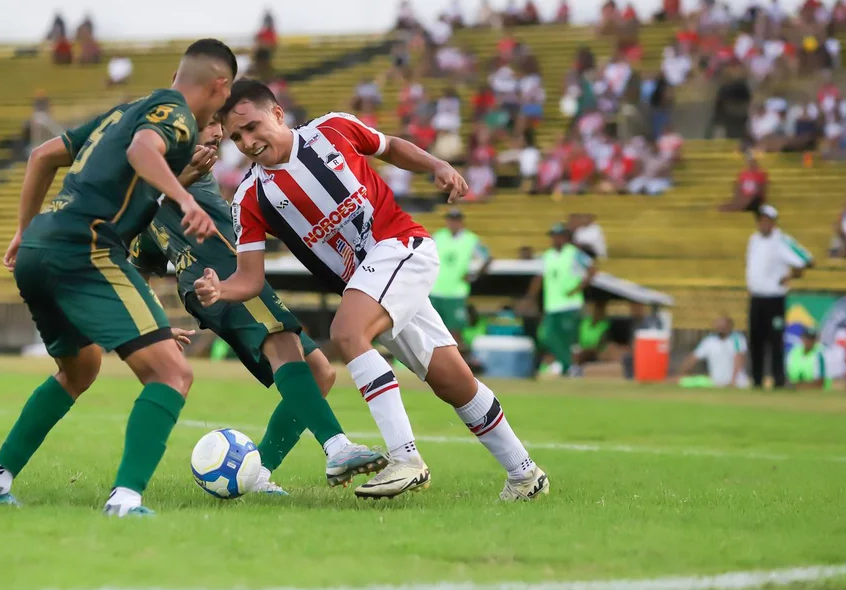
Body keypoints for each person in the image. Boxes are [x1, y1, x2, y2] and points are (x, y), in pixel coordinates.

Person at [200, 79, 548, 501]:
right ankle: (525, 475)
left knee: (347, 332)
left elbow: (391, 146)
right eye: (237, 137)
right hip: (372, 285)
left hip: (402, 247)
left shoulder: (333, 130)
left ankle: (406, 459)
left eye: (253, 127)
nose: (248, 142)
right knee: (453, 381)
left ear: (277, 113)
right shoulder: (251, 198)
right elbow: (251, 278)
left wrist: (436, 165)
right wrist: (221, 290)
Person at [0, 39, 238, 517]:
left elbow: (43, 156)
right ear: (220, 86)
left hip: (42, 247)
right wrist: (189, 199)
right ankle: (126, 499)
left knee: (80, 369)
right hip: (85, 250)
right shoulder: (173, 114)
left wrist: (24, 232)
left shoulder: (126, 110)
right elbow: (140, 151)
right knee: (173, 373)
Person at [129, 122, 386, 494]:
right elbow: (151, 215)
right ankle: (338, 447)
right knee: (282, 344)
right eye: (210, 127)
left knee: (320, 373)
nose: (217, 136)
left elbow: (141, 266)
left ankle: (258, 472)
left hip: (228, 280)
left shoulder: (153, 202)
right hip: (221, 278)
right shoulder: (179, 177)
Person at [746, 205, 813, 389]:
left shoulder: (782, 240)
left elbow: (807, 259)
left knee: (775, 340)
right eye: (761, 220)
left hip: (774, 299)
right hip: (756, 298)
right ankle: (757, 380)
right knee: (756, 340)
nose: (763, 224)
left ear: (773, 222)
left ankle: (778, 380)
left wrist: (790, 276)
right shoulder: (753, 240)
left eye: (767, 220)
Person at [526, 222, 597, 378]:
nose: (555, 239)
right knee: (547, 336)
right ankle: (568, 366)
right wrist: (531, 297)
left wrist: (577, 289)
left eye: (558, 236)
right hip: (552, 305)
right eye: (553, 236)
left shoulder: (574, 253)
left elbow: (592, 269)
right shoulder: (548, 255)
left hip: (570, 305)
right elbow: (539, 277)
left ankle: (567, 368)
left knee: (567, 339)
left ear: (565, 238)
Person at [429, 208, 492, 343]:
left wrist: (474, 276)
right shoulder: (438, 236)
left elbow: (487, 258)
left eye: (456, 220)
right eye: (450, 220)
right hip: (435, 290)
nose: (453, 223)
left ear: (461, 222)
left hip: (456, 293)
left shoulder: (471, 239)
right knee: (431, 330)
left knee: (455, 331)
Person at [674, 316, 749, 388]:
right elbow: (693, 358)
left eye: (723, 324)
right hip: (716, 382)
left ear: (729, 326)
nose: (721, 327)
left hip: (738, 383)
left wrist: (733, 380)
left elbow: (739, 358)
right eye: (718, 324)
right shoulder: (709, 340)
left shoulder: (737, 338)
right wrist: (681, 374)